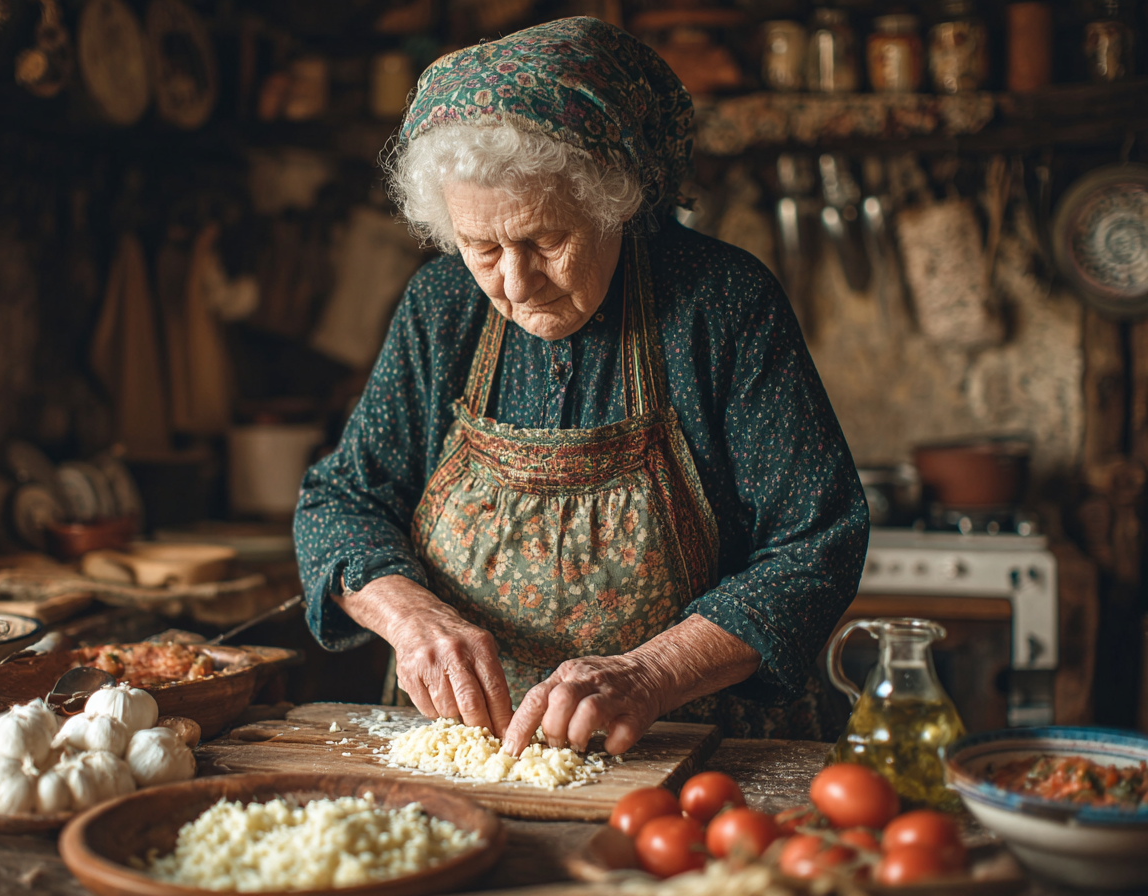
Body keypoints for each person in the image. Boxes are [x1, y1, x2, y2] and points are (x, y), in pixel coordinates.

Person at [293, 17, 868, 756]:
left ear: (615, 205)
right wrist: (411, 619)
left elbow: (816, 543)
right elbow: (341, 501)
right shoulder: (440, 307)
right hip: (465, 747)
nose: (515, 282)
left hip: (690, 744)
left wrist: (653, 672)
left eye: (544, 240)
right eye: (481, 247)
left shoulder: (721, 303)